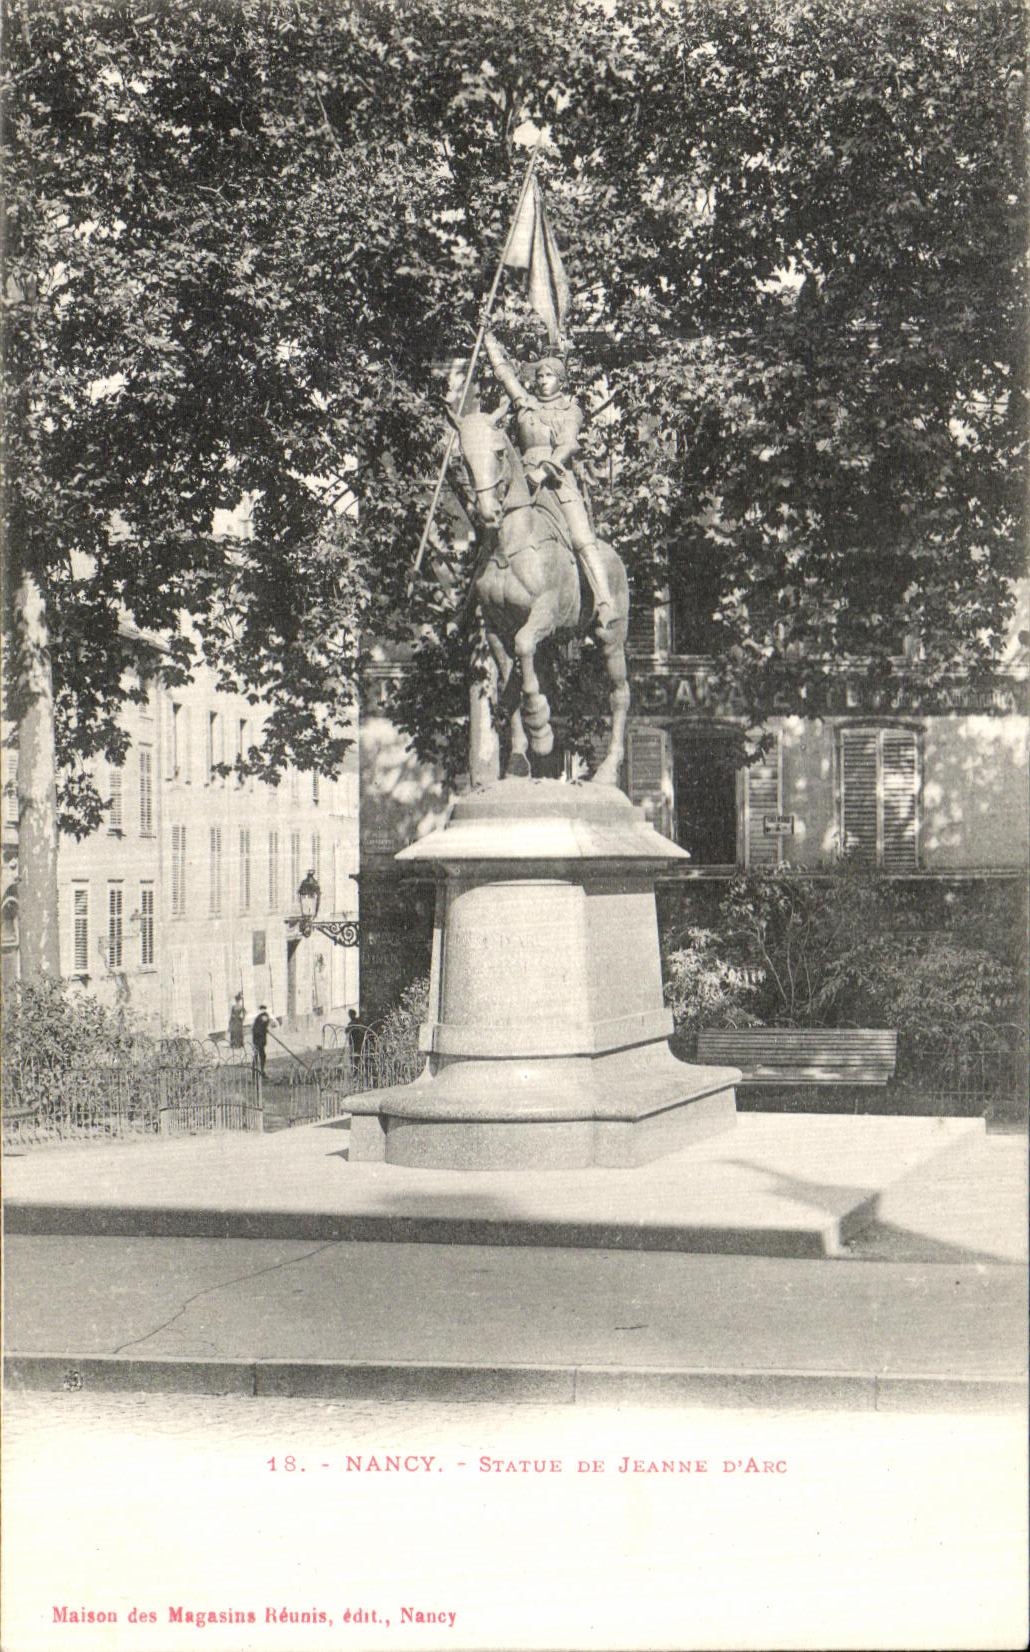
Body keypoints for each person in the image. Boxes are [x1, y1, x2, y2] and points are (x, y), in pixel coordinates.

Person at [482, 330, 617, 629]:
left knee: (582, 537)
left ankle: (605, 600)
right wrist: (488, 338)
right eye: (540, 376)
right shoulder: (526, 404)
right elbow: (504, 375)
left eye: (549, 376)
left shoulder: (571, 409)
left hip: (556, 480)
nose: (543, 381)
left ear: (561, 380)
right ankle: (468, 606)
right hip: (519, 481)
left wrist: (543, 471)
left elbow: (568, 445)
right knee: (491, 532)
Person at [251, 1003, 274, 1075]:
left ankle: (254, 1072)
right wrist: (265, 1029)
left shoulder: (258, 1017)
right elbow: (264, 1024)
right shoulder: (264, 1016)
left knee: (256, 1055)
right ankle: (261, 1071)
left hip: (256, 1039)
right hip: (260, 1039)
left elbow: (256, 1028)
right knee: (262, 1055)